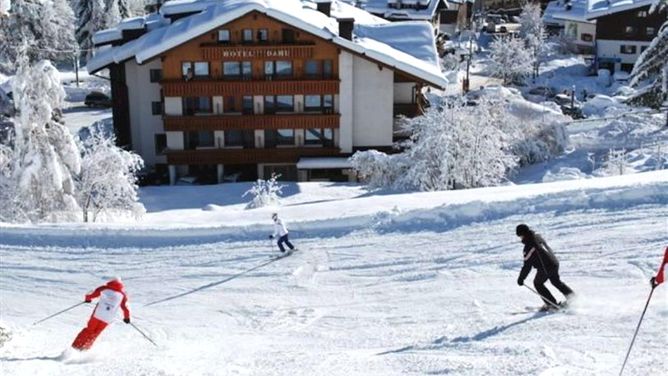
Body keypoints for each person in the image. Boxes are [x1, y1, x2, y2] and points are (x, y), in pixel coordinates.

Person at [516, 224, 575, 311]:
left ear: (522, 234)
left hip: (546, 267)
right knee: (556, 281)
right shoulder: (537, 237)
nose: (520, 238)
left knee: (538, 283)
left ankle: (552, 305)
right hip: (554, 262)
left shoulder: (529, 246)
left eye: (519, 235)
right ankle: (573, 298)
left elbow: (527, 266)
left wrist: (521, 278)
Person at [71, 277, 131, 351]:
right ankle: (85, 348)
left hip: (97, 314)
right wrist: (126, 318)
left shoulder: (104, 288)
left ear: (111, 281)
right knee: (95, 333)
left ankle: (75, 347)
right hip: (107, 318)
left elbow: (91, 295)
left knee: (89, 330)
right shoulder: (122, 295)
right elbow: (125, 308)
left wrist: (87, 299)